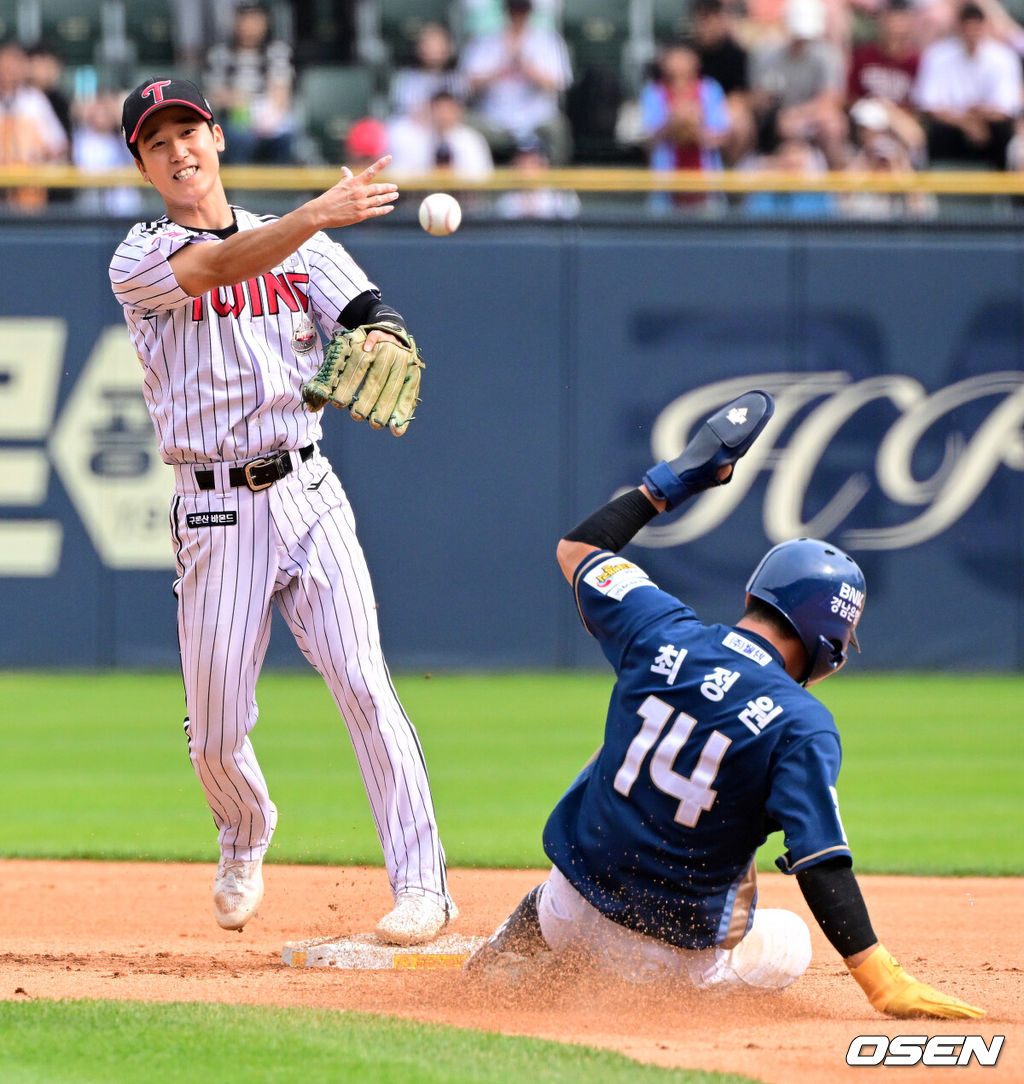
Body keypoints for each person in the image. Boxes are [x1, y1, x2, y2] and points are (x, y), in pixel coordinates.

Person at [466, 390, 985, 1022]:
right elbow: (821, 861)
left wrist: (668, 484)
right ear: (826, 648)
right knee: (787, 939)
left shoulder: (660, 626)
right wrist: (882, 981)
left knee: (617, 749)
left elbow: (577, 551)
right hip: (670, 960)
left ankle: (510, 952)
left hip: (567, 910)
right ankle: (661, 1001)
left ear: (755, 594)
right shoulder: (801, 722)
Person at [108, 77, 457, 946]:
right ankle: (245, 827)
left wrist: (385, 335)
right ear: (143, 165)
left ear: (217, 139)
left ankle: (423, 888)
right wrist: (316, 213)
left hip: (309, 490)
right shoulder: (139, 259)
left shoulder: (305, 246)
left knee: (366, 687)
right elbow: (222, 264)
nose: (179, 149)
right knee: (217, 729)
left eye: (190, 131)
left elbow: (372, 311)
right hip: (215, 511)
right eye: (159, 142)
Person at [458, 0, 573, 165]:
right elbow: (466, 85)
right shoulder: (485, 42)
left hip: (538, 119)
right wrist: (498, 70)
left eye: (522, 12)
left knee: (559, 128)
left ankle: (557, 187)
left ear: (529, 14)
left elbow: (560, 84)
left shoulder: (547, 41)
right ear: (505, 13)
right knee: (463, 126)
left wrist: (528, 69)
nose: (518, 17)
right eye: (514, 12)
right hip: (494, 120)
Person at [912, 0, 1023, 169]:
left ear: (984, 26)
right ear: (958, 27)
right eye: (967, 26)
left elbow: (1007, 108)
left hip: (990, 131)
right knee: (934, 132)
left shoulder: (1003, 57)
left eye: (975, 26)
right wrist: (967, 123)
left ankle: (1007, 192)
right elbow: (929, 105)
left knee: (1004, 132)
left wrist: (975, 117)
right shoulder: (937, 55)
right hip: (950, 129)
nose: (971, 32)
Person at [748, 0, 849, 167]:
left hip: (810, 118)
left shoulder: (828, 56)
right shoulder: (766, 54)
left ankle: (836, 183)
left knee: (832, 124)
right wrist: (775, 113)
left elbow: (830, 99)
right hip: (774, 118)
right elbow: (758, 99)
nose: (801, 41)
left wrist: (797, 115)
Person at [203, 2, 297, 164]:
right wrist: (239, 101)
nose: (251, 26)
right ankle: (237, 187)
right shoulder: (219, 54)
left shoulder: (277, 51)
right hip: (235, 114)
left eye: (256, 20)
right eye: (246, 20)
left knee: (287, 135)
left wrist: (269, 115)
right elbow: (214, 96)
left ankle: (280, 187)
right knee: (239, 137)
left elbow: (282, 90)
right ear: (236, 23)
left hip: (269, 115)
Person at [0, 38, 69, 209]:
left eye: (15, 64)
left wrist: (40, 154)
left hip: (31, 194)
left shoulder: (35, 100)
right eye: (5, 64)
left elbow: (59, 144)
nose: (10, 71)